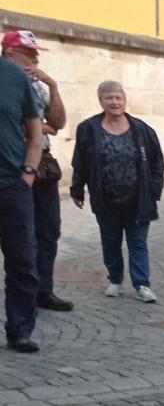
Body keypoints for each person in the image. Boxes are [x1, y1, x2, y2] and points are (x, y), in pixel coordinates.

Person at [70, 81, 164, 303]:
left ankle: (142, 284)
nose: (114, 102)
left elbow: (157, 163)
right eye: (109, 98)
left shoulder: (142, 130)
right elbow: (80, 162)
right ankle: (115, 279)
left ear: (124, 100)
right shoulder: (88, 129)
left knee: (138, 242)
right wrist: (77, 189)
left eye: (118, 98)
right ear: (101, 101)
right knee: (110, 241)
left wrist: (155, 191)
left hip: (137, 198)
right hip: (106, 199)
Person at [2, 30, 71, 312]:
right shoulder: (9, 85)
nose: (36, 58)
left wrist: (53, 88)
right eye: (29, 53)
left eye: (36, 53)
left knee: (49, 230)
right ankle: (24, 295)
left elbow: (58, 123)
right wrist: (38, 127)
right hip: (16, 167)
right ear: (10, 55)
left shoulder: (38, 87)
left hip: (43, 164)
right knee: (22, 236)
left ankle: (44, 289)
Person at [0, 41, 43, 353]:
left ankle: (20, 330)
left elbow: (35, 131)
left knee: (23, 263)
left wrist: (28, 172)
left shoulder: (16, 77)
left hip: (13, 185)